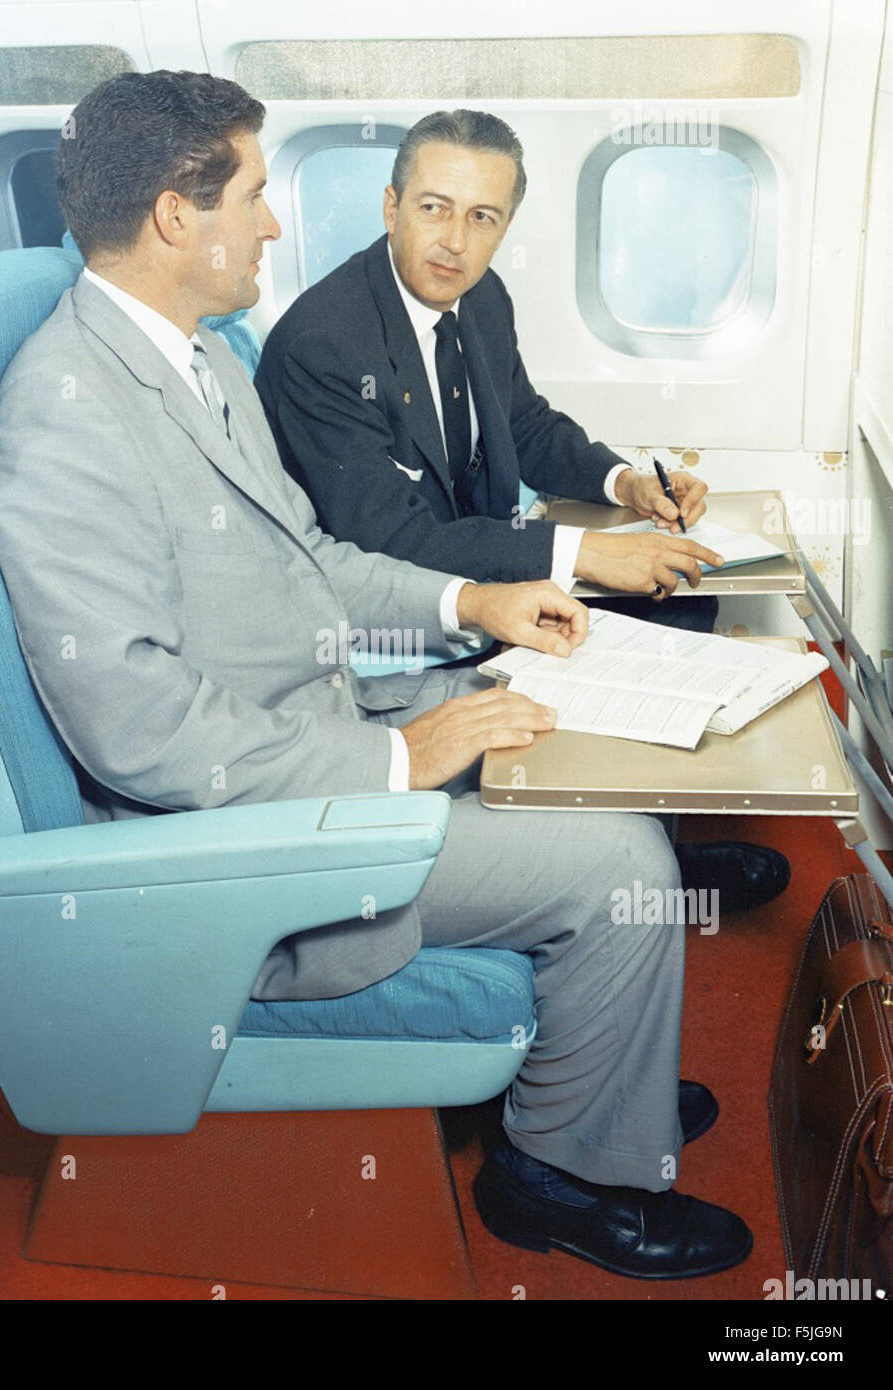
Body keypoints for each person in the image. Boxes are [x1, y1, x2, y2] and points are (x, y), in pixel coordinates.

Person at [0, 69, 751, 1279]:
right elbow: (134, 727)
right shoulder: (68, 411)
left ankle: (603, 1067)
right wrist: (396, 755)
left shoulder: (198, 359)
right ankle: (557, 1176)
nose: (277, 221)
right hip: (242, 839)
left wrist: (473, 602)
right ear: (178, 218)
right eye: (251, 191)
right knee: (623, 867)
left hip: (324, 709)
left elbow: (318, 563)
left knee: (569, 729)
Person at [256, 107, 790, 914]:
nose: (454, 242)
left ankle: (642, 836)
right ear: (389, 205)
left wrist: (624, 485)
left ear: (504, 227)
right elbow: (392, 540)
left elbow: (528, 425)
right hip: (392, 613)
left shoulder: (479, 297)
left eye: (482, 218)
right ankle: (625, 868)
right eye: (433, 207)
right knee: (636, 608)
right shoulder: (322, 345)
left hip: (476, 555)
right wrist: (577, 555)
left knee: (685, 601)